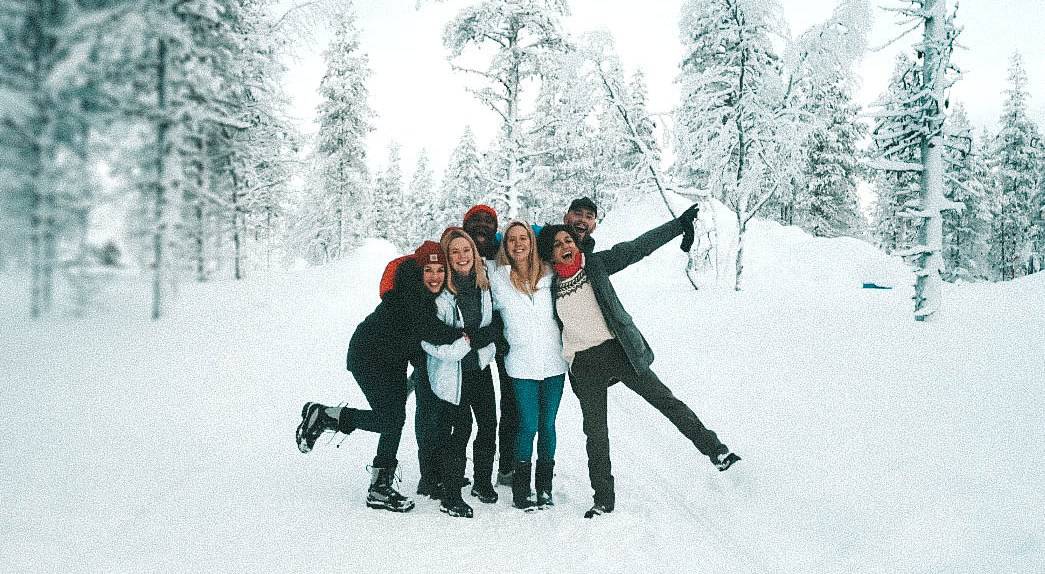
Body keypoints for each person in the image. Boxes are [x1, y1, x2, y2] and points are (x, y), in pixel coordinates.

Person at [535, 205, 741, 519]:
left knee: (665, 399)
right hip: (584, 366)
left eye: (568, 242)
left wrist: (678, 225)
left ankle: (716, 450)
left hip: (619, 351)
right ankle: (603, 500)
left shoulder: (597, 265)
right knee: (596, 433)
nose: (565, 247)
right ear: (550, 255)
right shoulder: (548, 287)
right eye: (558, 245)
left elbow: (638, 248)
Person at [295, 241, 461, 513]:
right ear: (418, 272)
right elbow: (433, 332)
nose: (434, 276)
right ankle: (325, 415)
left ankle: (379, 488)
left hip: (391, 361)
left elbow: (415, 340)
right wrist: (470, 335)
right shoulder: (411, 295)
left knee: (394, 420)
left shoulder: (424, 296)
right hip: (368, 357)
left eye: (440, 270)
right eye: (428, 269)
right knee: (390, 420)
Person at [488, 221, 568, 510]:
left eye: (524, 238)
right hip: (521, 364)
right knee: (528, 425)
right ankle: (522, 489)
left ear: (532, 243)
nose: (518, 244)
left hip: (554, 362)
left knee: (548, 425)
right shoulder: (497, 279)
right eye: (512, 240)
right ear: (505, 246)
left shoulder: (550, 273)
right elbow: (489, 315)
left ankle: (544, 487)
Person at [423, 228, 500, 518]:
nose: (462, 256)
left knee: (489, 424)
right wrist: (463, 344)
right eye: (454, 251)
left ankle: (482, 483)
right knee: (459, 431)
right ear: (447, 257)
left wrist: (483, 339)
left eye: (466, 250)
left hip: (479, 367)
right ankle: (451, 494)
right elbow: (429, 340)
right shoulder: (439, 294)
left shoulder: (484, 286)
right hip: (452, 373)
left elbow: (491, 324)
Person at [461, 204, 518, 488]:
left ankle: (506, 467)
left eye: (488, 221)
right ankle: (436, 473)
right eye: (476, 220)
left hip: (505, 340)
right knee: (460, 411)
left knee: (511, 404)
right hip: (471, 345)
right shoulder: (457, 253)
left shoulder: (503, 254)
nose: (482, 225)